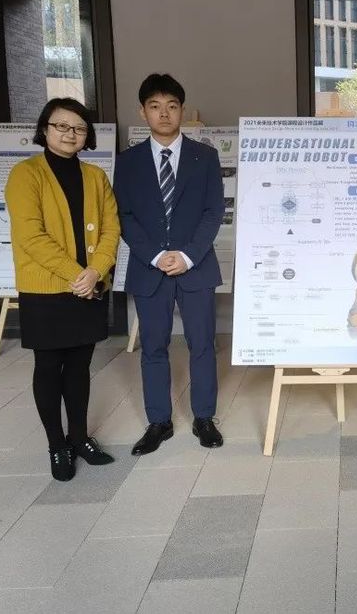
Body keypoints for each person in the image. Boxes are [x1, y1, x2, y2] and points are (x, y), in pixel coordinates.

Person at [5, 98, 119, 481]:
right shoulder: (25, 174)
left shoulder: (96, 177)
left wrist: (97, 271)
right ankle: (57, 445)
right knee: (49, 367)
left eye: (79, 128)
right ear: (45, 129)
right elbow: (31, 236)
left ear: (87, 135)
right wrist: (80, 274)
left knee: (80, 367)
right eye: (62, 126)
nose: (70, 134)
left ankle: (80, 437)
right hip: (46, 291)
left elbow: (111, 229)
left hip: (89, 287)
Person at [114, 73, 225, 455]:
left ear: (182, 110)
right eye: (155, 106)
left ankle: (204, 417)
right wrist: (156, 255)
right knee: (153, 347)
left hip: (196, 266)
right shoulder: (127, 162)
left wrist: (188, 255)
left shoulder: (204, 157)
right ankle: (158, 422)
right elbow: (124, 215)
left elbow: (213, 212)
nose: (164, 113)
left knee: (202, 344)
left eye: (172, 106)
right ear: (142, 112)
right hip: (150, 269)